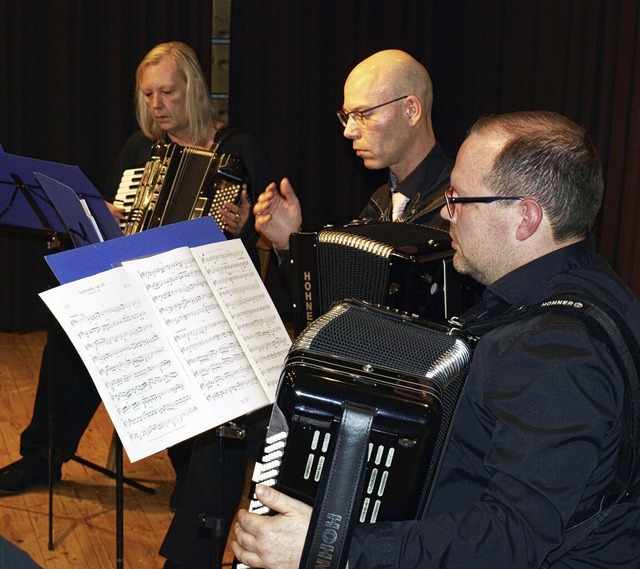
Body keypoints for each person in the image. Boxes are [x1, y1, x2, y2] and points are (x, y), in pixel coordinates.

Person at [231, 111, 640, 568]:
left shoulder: (557, 352)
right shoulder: (590, 285)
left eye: (459, 198)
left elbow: (512, 538)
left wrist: (330, 548)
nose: (447, 212)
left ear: (525, 217)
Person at [0, 40, 276, 568]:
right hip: (139, 286)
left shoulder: (239, 149)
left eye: (167, 92)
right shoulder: (138, 152)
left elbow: (262, 239)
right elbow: (109, 226)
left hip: (204, 298)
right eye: (148, 95)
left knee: (176, 350)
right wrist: (110, 218)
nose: (157, 105)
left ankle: (191, 470)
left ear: (193, 88)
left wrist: (248, 229)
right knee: (72, 327)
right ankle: (44, 455)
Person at [254, 49, 452, 253]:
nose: (348, 132)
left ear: (411, 110)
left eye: (363, 114)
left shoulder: (458, 206)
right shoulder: (379, 204)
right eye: (347, 116)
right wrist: (289, 243)